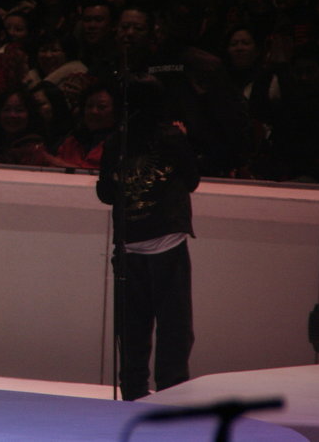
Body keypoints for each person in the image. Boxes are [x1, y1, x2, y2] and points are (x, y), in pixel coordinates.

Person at [96, 78, 199, 401]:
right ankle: (172, 397)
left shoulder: (117, 142)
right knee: (174, 329)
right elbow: (192, 180)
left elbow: (105, 193)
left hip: (131, 245)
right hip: (166, 241)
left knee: (133, 332)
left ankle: (133, 397)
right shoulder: (171, 137)